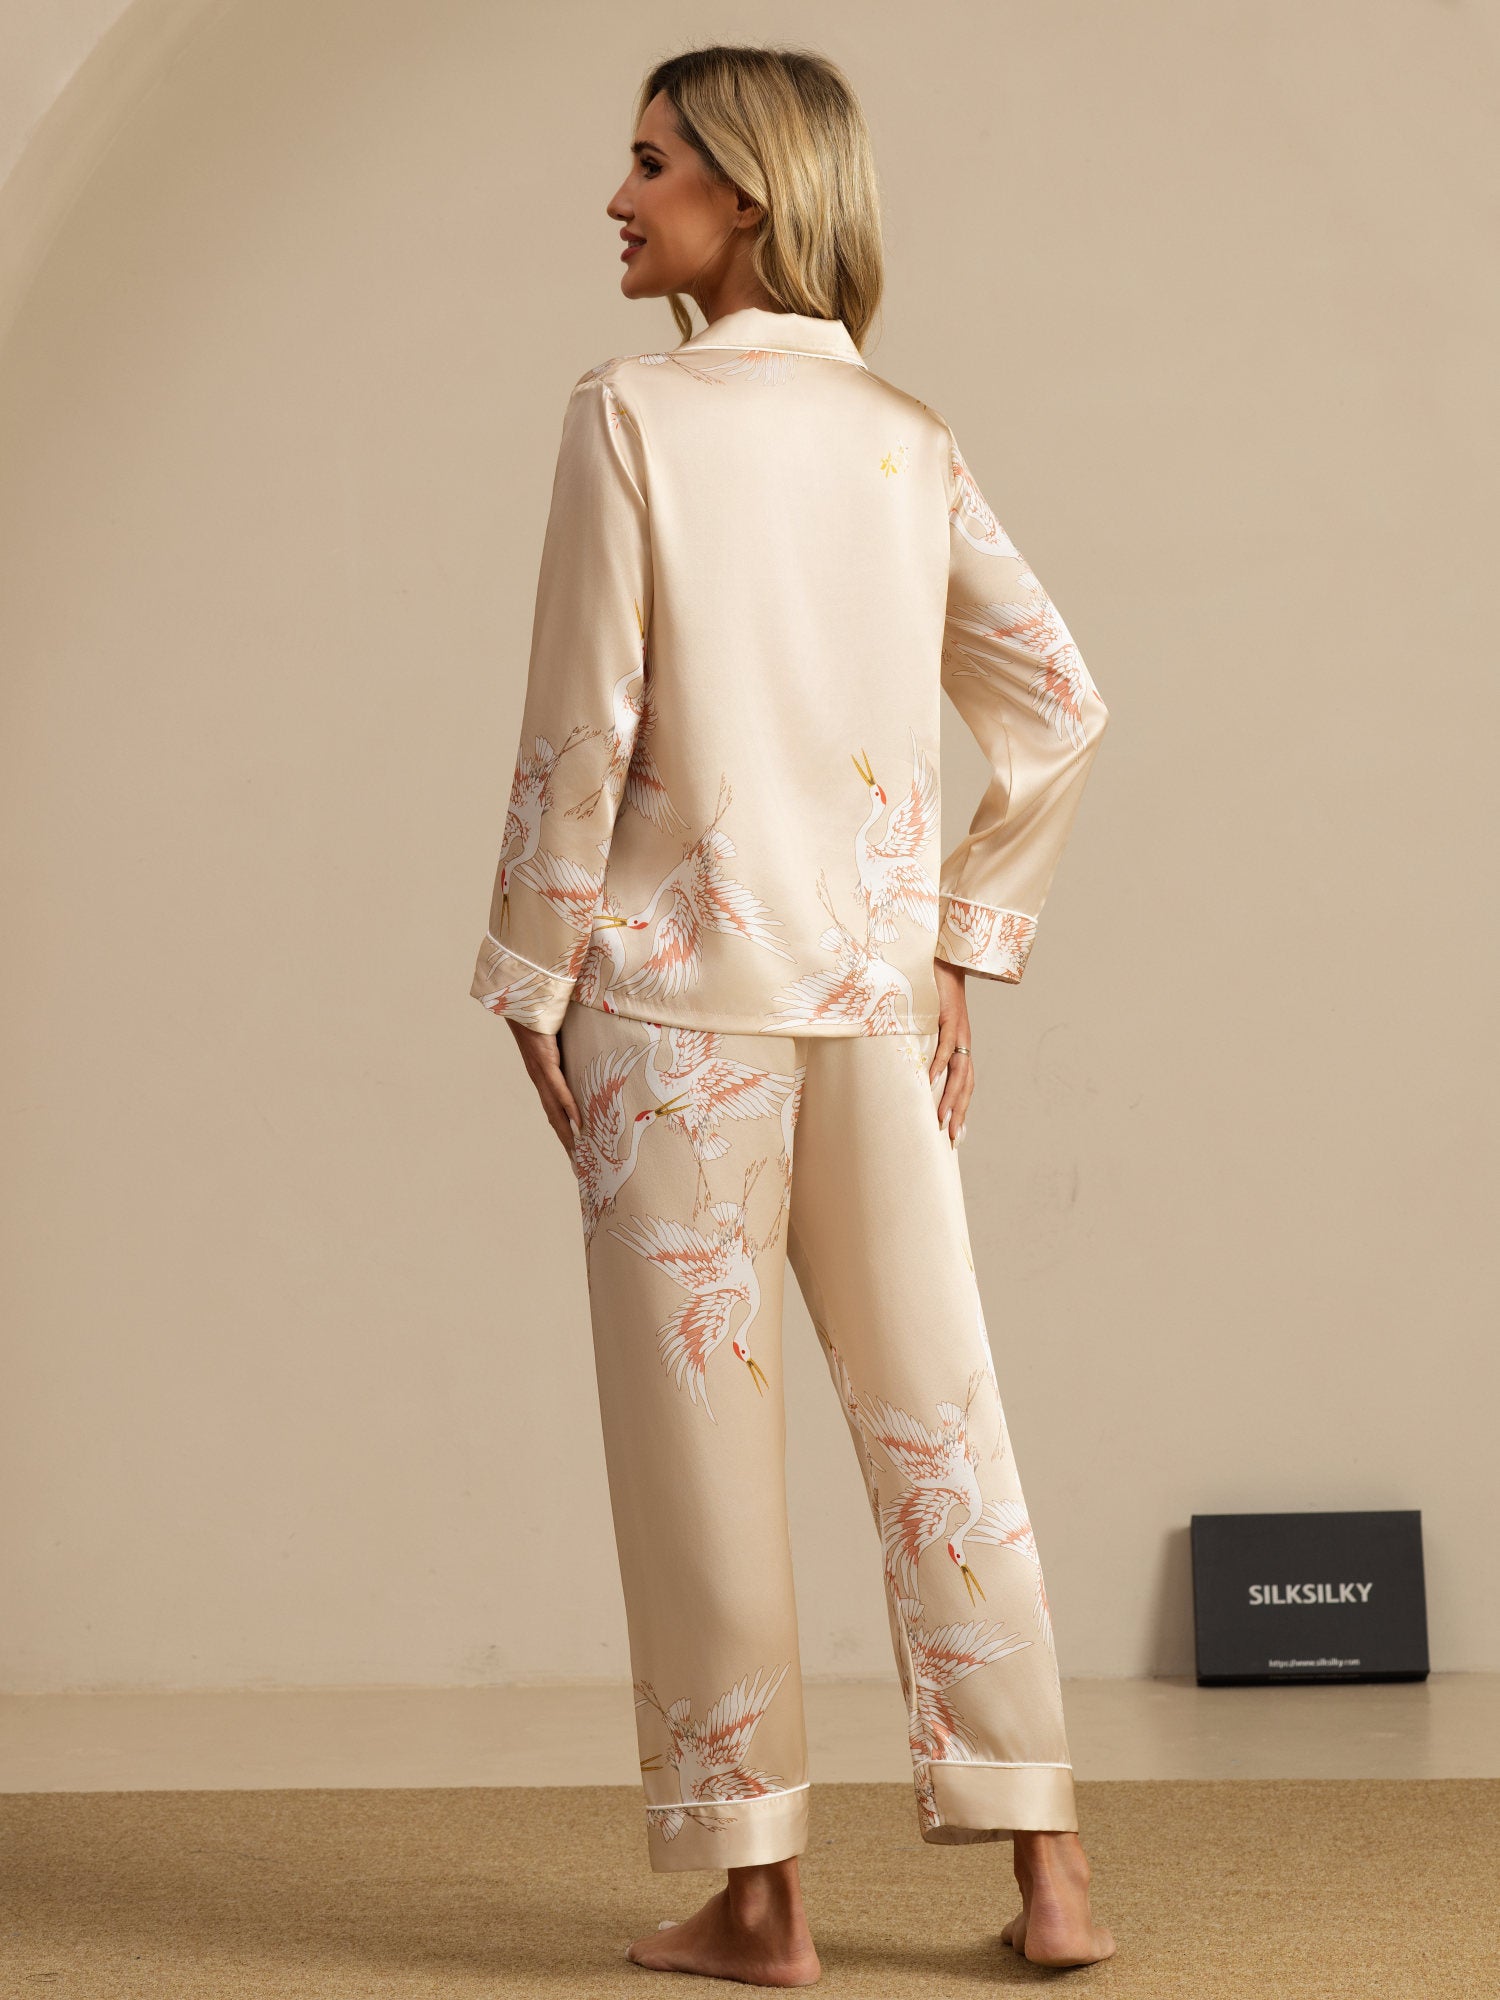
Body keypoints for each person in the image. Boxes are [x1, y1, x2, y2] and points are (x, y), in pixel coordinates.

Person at [468, 42, 1116, 1984]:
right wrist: (958, 942)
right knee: (944, 1421)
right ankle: (1052, 1868)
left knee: (699, 1450)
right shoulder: (908, 436)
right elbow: (1061, 707)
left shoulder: (630, 413)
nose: (616, 197)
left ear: (743, 191)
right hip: (871, 1003)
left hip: (673, 1007)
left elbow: (584, 715)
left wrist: (532, 966)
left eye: (649, 162)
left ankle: (760, 1898)